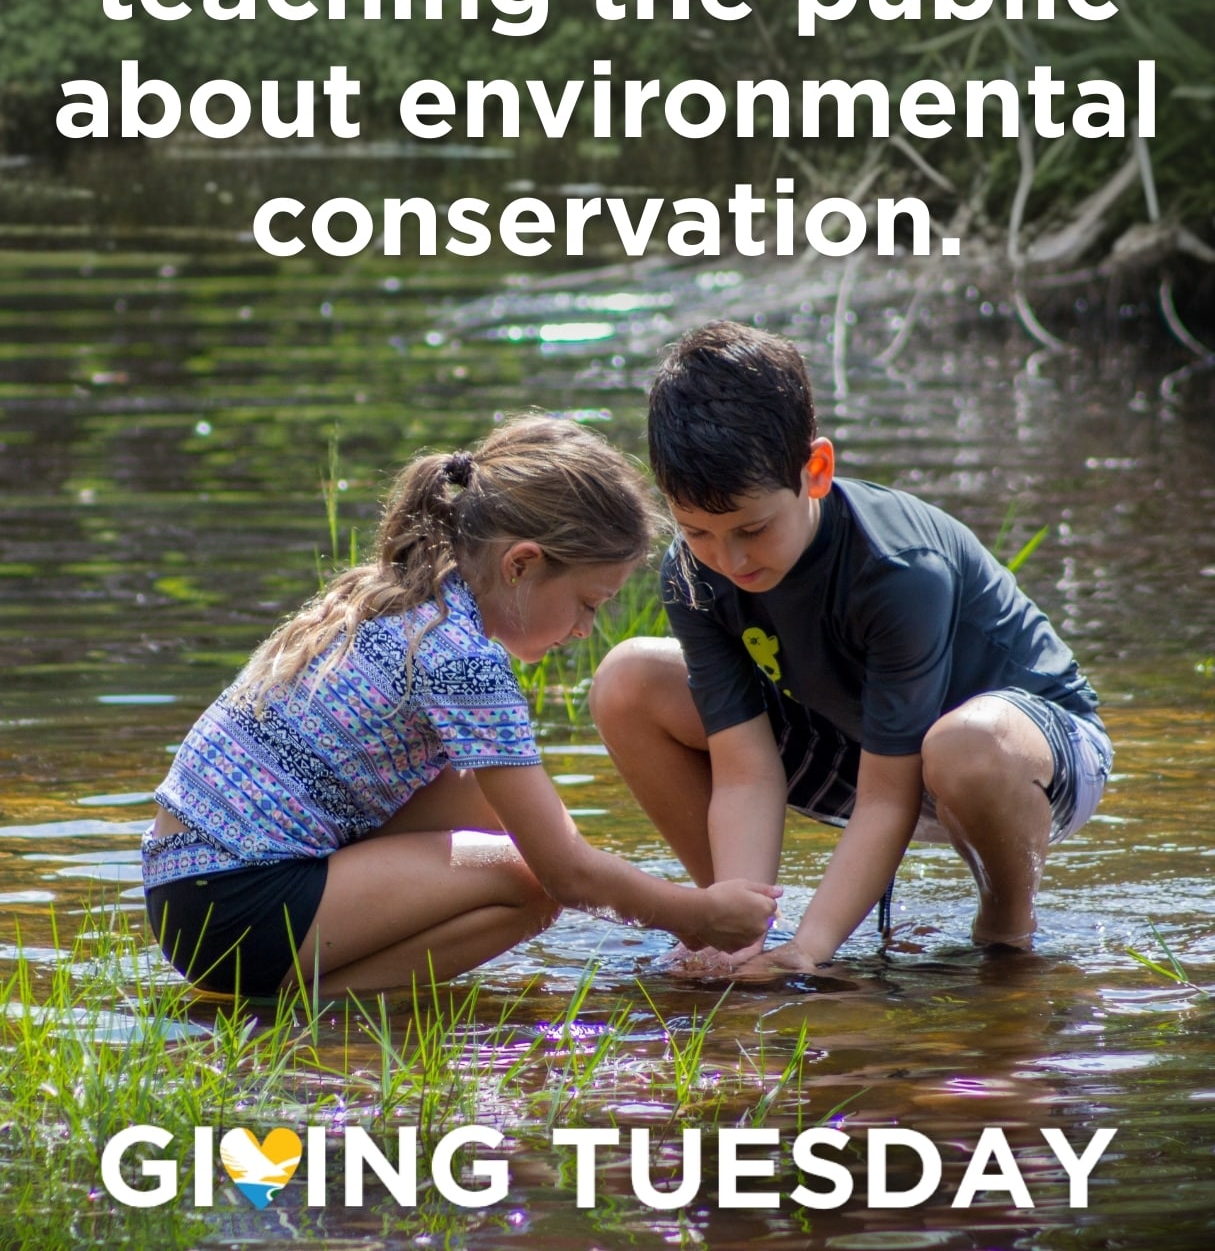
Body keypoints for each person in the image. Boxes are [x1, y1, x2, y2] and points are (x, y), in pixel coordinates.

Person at [142, 415, 779, 999]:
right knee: (531, 884)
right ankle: (300, 1004)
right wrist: (696, 916)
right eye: (588, 603)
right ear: (521, 565)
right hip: (237, 908)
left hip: (186, 891)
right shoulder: (463, 659)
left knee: (505, 814)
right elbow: (564, 875)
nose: (586, 629)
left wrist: (642, 897)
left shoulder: (411, 598)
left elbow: (549, 836)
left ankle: (294, 983)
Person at [590, 322, 1113, 974]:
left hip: (1024, 757)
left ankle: (1005, 928)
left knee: (963, 744)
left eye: (753, 529)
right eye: (698, 532)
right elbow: (745, 770)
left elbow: (888, 796)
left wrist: (811, 951)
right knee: (628, 680)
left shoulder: (896, 568)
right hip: (860, 742)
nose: (730, 559)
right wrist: (744, 941)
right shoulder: (694, 575)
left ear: (815, 471)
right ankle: (736, 918)